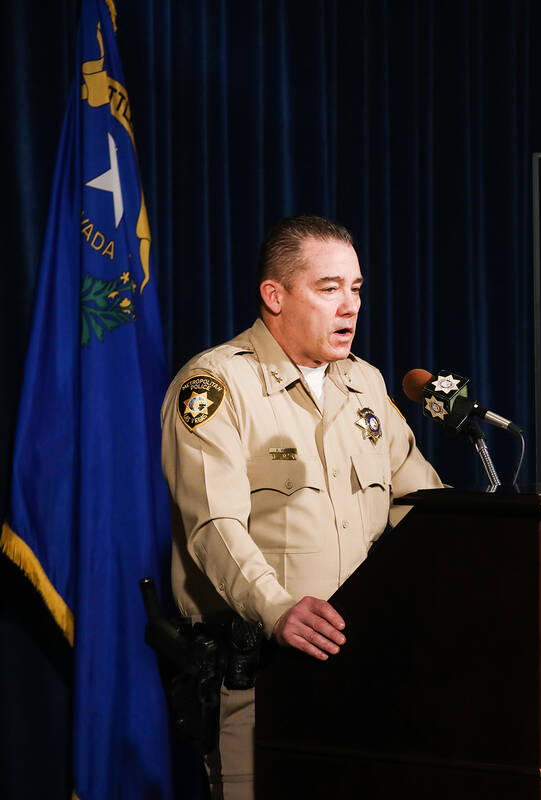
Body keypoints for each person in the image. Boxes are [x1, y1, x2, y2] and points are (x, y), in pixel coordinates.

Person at [161, 215, 442, 797]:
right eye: (329, 288)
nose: (350, 306)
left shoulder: (364, 384)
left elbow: (426, 509)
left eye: (356, 288)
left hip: (366, 673)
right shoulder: (216, 384)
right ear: (275, 296)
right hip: (261, 677)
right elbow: (213, 526)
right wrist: (278, 608)